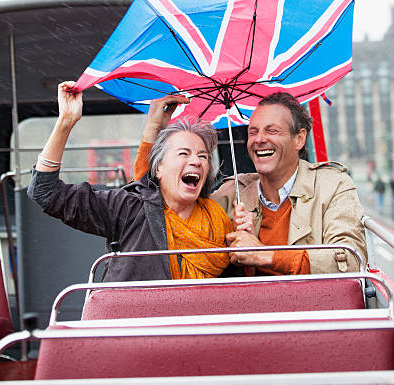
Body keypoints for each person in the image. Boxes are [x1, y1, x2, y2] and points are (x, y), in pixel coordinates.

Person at [134, 92, 367, 275]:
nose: (259, 140)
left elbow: (351, 259)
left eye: (272, 130)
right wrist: (152, 131)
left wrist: (264, 255)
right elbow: (160, 212)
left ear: (299, 138)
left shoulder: (333, 185)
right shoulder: (231, 193)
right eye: (253, 132)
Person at [27, 82, 233, 282]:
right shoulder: (128, 207)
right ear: (158, 168)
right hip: (133, 315)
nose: (196, 161)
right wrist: (65, 122)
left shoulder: (218, 218)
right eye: (183, 153)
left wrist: (245, 245)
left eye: (203, 156)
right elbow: (45, 192)